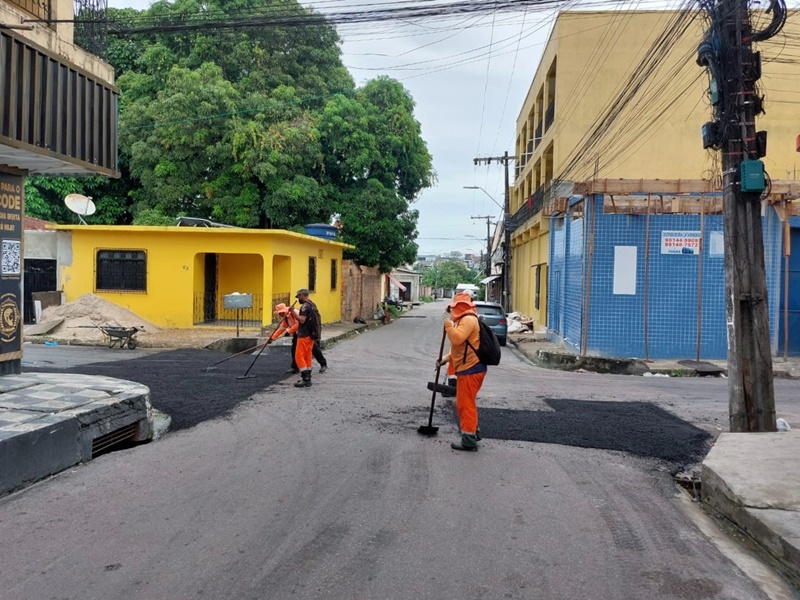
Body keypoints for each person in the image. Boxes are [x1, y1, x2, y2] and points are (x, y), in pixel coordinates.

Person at [436, 292, 486, 451]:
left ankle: (469, 440)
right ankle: (474, 432)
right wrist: (446, 358)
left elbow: (456, 339)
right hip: (470, 368)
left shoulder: (468, 320)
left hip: (470, 369)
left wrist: (447, 323)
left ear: (459, 307)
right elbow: (461, 348)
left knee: (465, 404)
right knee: (467, 403)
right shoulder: (466, 320)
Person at [269, 302, 328, 375]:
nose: (280, 315)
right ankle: (295, 367)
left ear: (285, 310)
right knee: (294, 349)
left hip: (307, 332)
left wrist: (289, 331)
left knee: (313, 349)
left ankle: (323, 364)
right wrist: (272, 338)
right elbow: (281, 329)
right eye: (279, 313)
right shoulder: (286, 318)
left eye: (281, 313)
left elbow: (299, 324)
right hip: (298, 334)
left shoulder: (295, 312)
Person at [293, 288, 320, 388]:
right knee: (307, 355)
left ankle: (305, 378)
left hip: (304, 334)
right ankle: (308, 376)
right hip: (312, 334)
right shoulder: (312, 304)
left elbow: (302, 320)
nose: (298, 299)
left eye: (298, 296)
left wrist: (292, 312)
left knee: (299, 356)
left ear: (301, 295)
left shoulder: (304, 307)